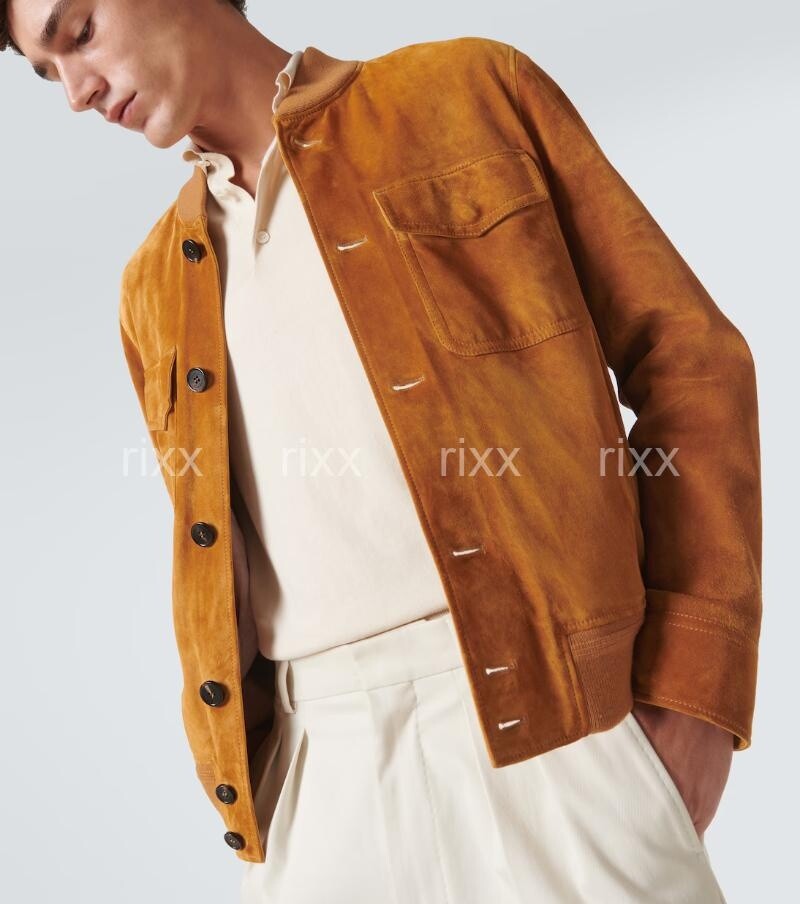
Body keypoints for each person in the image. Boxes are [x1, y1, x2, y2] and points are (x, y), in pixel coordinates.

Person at [2, 2, 762, 902]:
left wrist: (695, 698)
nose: (76, 93)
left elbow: (689, 362)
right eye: (46, 74)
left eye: (79, 33)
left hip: (564, 735)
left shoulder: (468, 93)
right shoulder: (155, 283)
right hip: (321, 788)